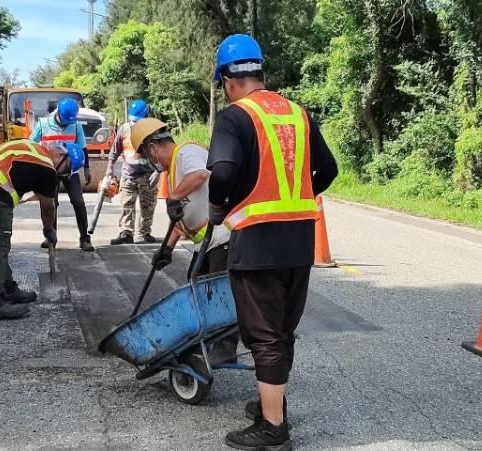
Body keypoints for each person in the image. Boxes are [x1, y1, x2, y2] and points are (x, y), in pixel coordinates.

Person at [207, 34, 338, 450]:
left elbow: (223, 174)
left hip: (258, 244)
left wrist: (218, 207)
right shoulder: (298, 113)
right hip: (299, 241)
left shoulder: (235, 116)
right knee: (283, 331)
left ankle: (272, 426)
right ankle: (272, 403)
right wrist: (297, 199)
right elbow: (329, 169)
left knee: (262, 336)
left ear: (228, 79)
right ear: (260, 70)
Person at [129, 118, 238, 362]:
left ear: (153, 147)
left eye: (147, 154)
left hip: (224, 235)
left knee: (217, 291)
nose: (149, 160)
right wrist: (166, 250)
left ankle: (225, 347)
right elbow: (182, 217)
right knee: (195, 286)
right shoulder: (170, 175)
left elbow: (200, 174)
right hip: (206, 243)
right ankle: (205, 342)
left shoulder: (186, 152)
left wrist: (174, 196)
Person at [0, 139, 84, 321]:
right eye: (66, 169)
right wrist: (49, 230)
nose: (63, 175)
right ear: (60, 155)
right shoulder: (48, 168)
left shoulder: (34, 149)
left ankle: (7, 288)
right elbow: (48, 207)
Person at [29, 97, 94, 252]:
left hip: (70, 171)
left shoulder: (76, 125)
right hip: (49, 171)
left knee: (78, 202)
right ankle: (51, 237)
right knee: (50, 204)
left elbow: (83, 148)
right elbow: (30, 144)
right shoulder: (43, 124)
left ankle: (84, 238)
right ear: (58, 112)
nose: (66, 124)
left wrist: (86, 168)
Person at [109, 99, 159, 245]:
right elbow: (114, 151)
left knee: (148, 206)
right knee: (126, 204)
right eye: (132, 121)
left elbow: (163, 153)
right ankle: (126, 232)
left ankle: (144, 232)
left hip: (148, 175)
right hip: (129, 174)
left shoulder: (154, 131)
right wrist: (109, 168)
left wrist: (158, 171)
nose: (134, 124)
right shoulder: (124, 129)